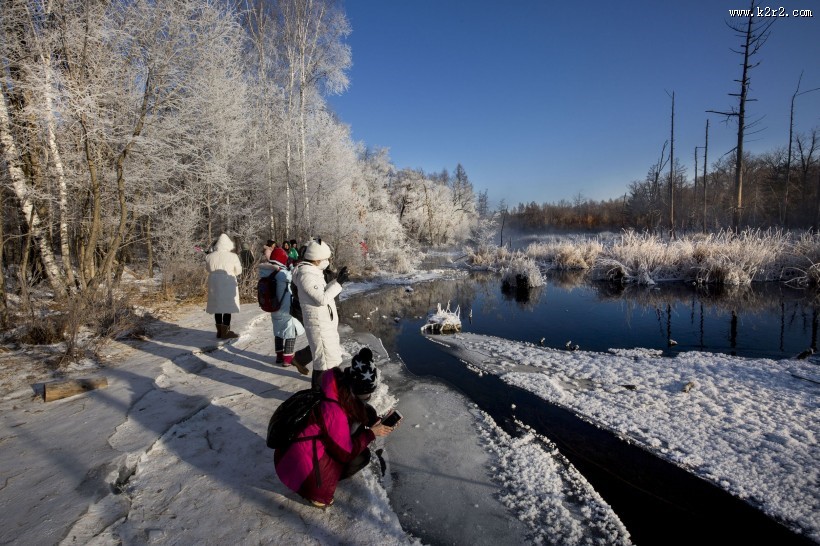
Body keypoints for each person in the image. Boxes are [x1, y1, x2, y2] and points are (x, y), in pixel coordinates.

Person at [274, 348, 397, 507]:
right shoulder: (334, 411)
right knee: (360, 456)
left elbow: (361, 411)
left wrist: (377, 422)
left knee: (359, 441)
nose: (368, 398)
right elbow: (346, 453)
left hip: (292, 454)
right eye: (366, 395)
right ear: (355, 390)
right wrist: (371, 434)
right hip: (296, 470)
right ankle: (314, 489)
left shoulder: (338, 389)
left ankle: (320, 476)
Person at [291, 239, 350, 388]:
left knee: (325, 358)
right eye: (325, 259)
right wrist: (338, 284)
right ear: (316, 259)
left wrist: (337, 280)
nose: (327, 261)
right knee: (322, 362)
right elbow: (322, 298)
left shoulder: (314, 272)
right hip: (318, 324)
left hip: (323, 321)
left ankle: (324, 393)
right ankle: (318, 396)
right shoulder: (307, 275)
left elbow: (321, 292)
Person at [262, 247, 309, 374]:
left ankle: (279, 355)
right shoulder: (282, 274)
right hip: (285, 307)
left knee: (278, 331)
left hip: (273, 306)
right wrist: (295, 266)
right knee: (290, 331)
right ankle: (287, 359)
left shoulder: (266, 271)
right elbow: (295, 277)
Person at [205, 233, 242, 339]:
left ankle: (219, 331)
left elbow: (208, 269)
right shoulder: (233, 256)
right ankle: (226, 331)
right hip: (228, 282)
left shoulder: (210, 256)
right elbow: (238, 271)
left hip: (214, 283)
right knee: (227, 306)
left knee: (217, 307)